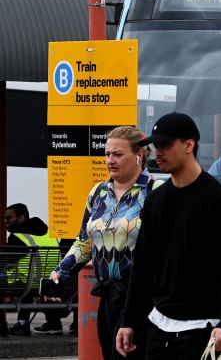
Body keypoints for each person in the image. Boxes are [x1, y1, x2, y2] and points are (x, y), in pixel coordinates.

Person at [115, 112, 221, 358]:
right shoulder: (156, 198)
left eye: (165, 144)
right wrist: (128, 319)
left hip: (203, 328)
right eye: (156, 145)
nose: (158, 151)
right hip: (157, 324)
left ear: (189, 145)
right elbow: (141, 265)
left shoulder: (218, 200)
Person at [47, 126, 161, 359]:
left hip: (142, 297)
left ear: (139, 154)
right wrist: (60, 272)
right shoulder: (98, 192)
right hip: (108, 295)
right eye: (107, 154)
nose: (110, 160)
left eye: (118, 154)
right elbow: (84, 242)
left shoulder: (156, 191)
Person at [0, 203, 61, 337]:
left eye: (8, 218)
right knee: (30, 279)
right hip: (49, 283)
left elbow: (5, 262)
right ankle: (53, 323)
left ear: (21, 217)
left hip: (25, 284)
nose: (5, 222)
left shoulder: (18, 237)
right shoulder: (50, 234)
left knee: (8, 280)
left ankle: (12, 324)